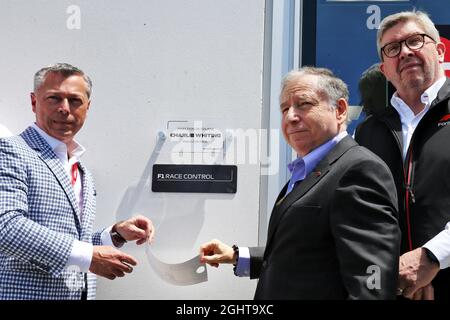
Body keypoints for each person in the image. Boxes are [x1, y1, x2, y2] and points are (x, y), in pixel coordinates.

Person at [200, 67, 401, 300]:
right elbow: (309, 253)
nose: (291, 116)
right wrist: (238, 256)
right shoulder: (309, 169)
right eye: (285, 109)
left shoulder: (359, 170)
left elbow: (371, 287)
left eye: (303, 104)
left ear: (340, 110)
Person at [0, 63, 155, 300]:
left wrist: (114, 235)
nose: (64, 109)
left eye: (75, 100)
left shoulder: (80, 168)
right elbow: (6, 227)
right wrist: (90, 257)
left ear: (87, 107)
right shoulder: (10, 150)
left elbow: (75, 244)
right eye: (54, 98)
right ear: (34, 102)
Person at [355, 10, 450, 300]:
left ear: (440, 50)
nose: (405, 52)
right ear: (385, 68)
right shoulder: (368, 132)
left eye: (415, 41)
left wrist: (431, 257)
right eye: (393, 48)